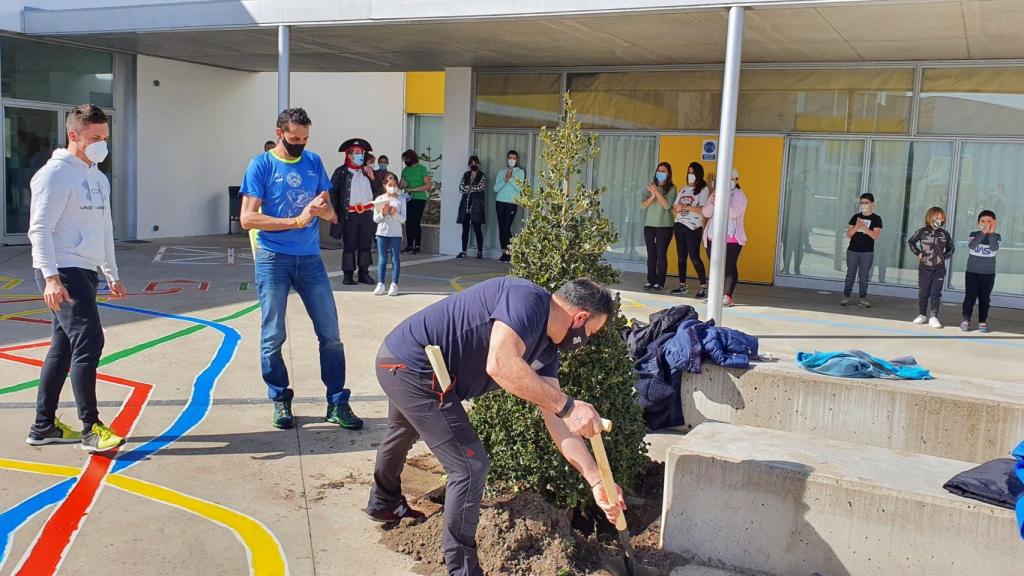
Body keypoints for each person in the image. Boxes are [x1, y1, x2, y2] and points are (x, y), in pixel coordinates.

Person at [365, 277, 626, 576]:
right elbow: (500, 364)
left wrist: (595, 480)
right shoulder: (526, 299)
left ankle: (384, 502)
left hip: (404, 360)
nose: (585, 342)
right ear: (579, 318)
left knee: (402, 432)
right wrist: (569, 405)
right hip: (411, 365)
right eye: (590, 332)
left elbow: (557, 420)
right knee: (469, 466)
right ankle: (463, 570)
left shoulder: (546, 351)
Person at [240, 107, 363, 430]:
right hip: (272, 259)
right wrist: (293, 221)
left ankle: (337, 401)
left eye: (305, 139)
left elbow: (329, 211)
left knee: (331, 335)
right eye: (295, 139)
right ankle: (280, 398)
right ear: (280, 132)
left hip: (310, 260)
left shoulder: (314, 162)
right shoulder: (261, 165)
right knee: (272, 336)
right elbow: (247, 218)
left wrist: (322, 211)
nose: (300, 145)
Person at [25, 103, 128, 452]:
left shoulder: (98, 178)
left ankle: (43, 426)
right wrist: (51, 277)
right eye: (94, 138)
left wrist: (111, 273)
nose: (102, 144)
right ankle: (91, 428)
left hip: (84, 269)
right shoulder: (55, 174)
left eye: (105, 138)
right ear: (74, 135)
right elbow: (39, 229)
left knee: (65, 345)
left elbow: (105, 228)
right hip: (61, 269)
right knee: (89, 339)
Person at [330, 138, 382, 286]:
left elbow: (379, 192)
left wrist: (373, 179)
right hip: (350, 214)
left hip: (366, 213)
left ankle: (364, 273)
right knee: (350, 245)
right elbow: (332, 193)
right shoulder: (341, 172)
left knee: (366, 244)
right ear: (349, 155)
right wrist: (333, 213)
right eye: (357, 153)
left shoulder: (369, 172)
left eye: (362, 153)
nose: (360, 156)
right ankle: (348, 274)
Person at [702, 168, 748, 307]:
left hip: (731, 237)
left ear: (736, 180)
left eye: (731, 179)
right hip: (712, 236)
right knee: (715, 267)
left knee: (729, 267)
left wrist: (721, 201)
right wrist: (713, 201)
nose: (728, 182)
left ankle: (727, 295)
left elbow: (733, 213)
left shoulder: (740, 195)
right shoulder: (716, 194)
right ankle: (714, 295)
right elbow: (706, 212)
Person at [908, 206, 954, 329]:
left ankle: (933, 317)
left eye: (941, 218)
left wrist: (943, 257)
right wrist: (918, 253)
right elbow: (911, 242)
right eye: (936, 217)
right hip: (924, 267)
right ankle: (922, 315)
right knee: (923, 292)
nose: (938, 220)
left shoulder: (945, 234)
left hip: (939, 269)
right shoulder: (922, 231)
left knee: (935, 293)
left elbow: (951, 249)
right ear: (929, 218)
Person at [671, 161, 709, 298]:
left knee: (694, 256)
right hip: (679, 224)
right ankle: (682, 285)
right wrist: (678, 207)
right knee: (681, 257)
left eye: (693, 173)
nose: (690, 175)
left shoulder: (703, 190)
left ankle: (703, 286)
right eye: (689, 172)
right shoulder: (683, 189)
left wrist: (687, 207)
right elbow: (675, 206)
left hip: (693, 227)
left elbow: (703, 209)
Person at [841, 193, 883, 308]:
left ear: (872, 204)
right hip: (853, 250)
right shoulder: (856, 217)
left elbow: (875, 235)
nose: (863, 205)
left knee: (864, 275)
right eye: (861, 203)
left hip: (867, 252)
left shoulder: (876, 218)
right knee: (850, 274)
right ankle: (846, 296)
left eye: (866, 203)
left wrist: (864, 227)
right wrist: (857, 226)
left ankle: (862, 298)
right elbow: (849, 234)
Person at [961, 210, 1000, 333]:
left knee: (984, 298)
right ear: (978, 223)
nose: (986, 224)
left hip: (988, 274)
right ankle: (966, 319)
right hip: (972, 272)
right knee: (970, 297)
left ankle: (982, 321)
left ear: (994, 223)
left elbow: (994, 248)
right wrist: (983, 232)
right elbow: (972, 245)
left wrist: (991, 233)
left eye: (989, 221)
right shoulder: (974, 234)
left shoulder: (996, 236)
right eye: (983, 221)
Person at [642, 162, 677, 291]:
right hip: (649, 226)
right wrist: (652, 195)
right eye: (659, 170)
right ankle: (650, 280)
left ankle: (660, 282)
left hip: (665, 226)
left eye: (664, 171)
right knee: (651, 254)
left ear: (668, 174)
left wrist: (657, 192)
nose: (660, 173)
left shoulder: (672, 188)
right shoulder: (650, 187)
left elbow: (667, 205)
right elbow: (643, 205)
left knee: (661, 254)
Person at [373, 172, 406, 297]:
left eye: (395, 185)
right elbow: (375, 219)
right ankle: (381, 284)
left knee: (395, 259)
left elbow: (403, 219)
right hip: (382, 233)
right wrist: (383, 213)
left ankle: (394, 284)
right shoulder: (379, 199)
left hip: (396, 234)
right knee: (382, 259)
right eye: (390, 185)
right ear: (384, 185)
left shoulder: (401, 199)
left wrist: (394, 213)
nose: (393, 187)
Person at [493, 149, 526, 263]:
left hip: (512, 203)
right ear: (507, 159)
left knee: (507, 228)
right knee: (502, 228)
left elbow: (520, 188)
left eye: (514, 158)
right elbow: (495, 188)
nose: (511, 160)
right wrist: (505, 180)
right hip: (500, 202)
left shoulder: (520, 172)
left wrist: (511, 179)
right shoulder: (501, 172)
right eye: (510, 158)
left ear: (516, 160)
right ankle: (504, 253)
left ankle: (512, 252)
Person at [399, 149, 432, 255]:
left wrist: (414, 189)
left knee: (415, 221)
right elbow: (400, 185)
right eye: (404, 159)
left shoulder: (422, 169)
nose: (405, 161)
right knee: (408, 221)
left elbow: (428, 185)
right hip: (407, 198)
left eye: (407, 159)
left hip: (419, 198)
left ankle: (417, 245)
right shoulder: (405, 170)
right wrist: (402, 184)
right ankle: (409, 245)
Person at [457, 155, 487, 259]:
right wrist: (469, 188)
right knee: (465, 229)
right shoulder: (466, 175)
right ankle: (463, 251)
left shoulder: (482, 175)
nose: (473, 165)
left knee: (477, 229)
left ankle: (479, 252)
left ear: (478, 164)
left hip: (476, 206)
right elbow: (460, 188)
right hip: (465, 205)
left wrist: (468, 187)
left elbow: (480, 187)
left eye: (475, 163)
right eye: (472, 163)